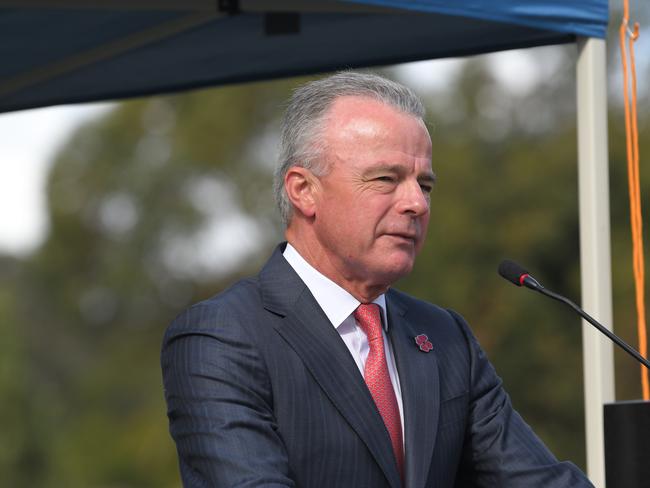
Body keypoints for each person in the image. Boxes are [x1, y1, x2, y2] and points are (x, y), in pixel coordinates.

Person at [161, 72, 593, 487]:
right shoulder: (221, 338)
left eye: (425, 185)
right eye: (386, 179)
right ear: (304, 190)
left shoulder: (446, 337)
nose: (416, 204)